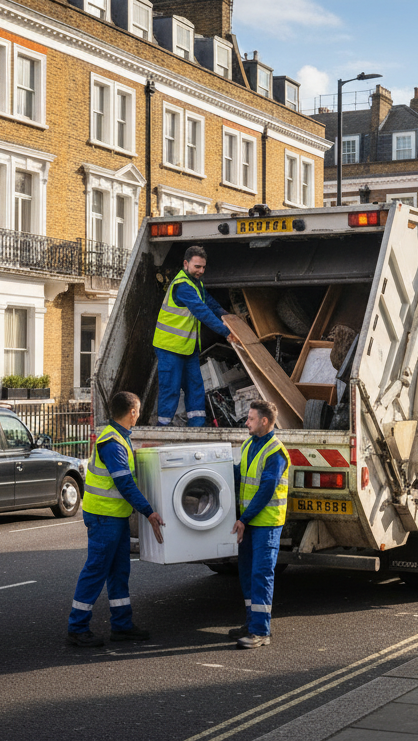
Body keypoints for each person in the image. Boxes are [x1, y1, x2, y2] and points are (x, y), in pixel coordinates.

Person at [67, 391, 166, 647]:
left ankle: (122, 625)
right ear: (132, 412)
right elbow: (124, 483)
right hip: (104, 517)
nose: (139, 414)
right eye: (139, 410)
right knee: (96, 570)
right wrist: (149, 511)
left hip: (115, 517)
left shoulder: (119, 437)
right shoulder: (112, 442)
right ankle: (77, 628)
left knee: (119, 571)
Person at [153, 246, 241, 427]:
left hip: (188, 347)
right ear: (186, 264)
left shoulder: (196, 284)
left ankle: (197, 426)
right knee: (171, 389)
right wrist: (227, 332)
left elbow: (210, 304)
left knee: (195, 387)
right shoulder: (182, 286)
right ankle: (164, 427)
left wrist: (229, 317)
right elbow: (202, 312)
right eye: (197, 266)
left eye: (203, 267)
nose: (201, 271)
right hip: (170, 347)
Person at [229, 400, 290, 649]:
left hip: (265, 523)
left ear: (264, 421)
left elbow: (266, 490)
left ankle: (260, 632)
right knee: (246, 572)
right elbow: (238, 476)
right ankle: (251, 622)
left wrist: (243, 519)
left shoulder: (275, 452)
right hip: (250, 522)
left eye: (251, 418)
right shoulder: (248, 444)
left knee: (261, 574)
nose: (246, 422)